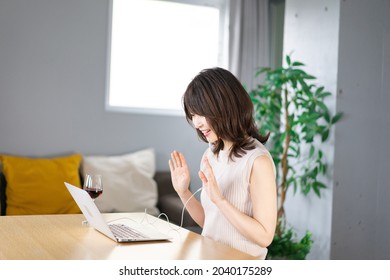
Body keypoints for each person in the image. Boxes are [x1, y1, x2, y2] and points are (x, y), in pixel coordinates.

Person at [168, 67, 277, 259]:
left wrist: (221, 201)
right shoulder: (210, 155)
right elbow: (209, 223)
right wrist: (183, 192)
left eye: (201, 114)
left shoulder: (257, 161)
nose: (197, 124)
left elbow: (265, 236)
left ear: (224, 107)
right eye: (193, 116)